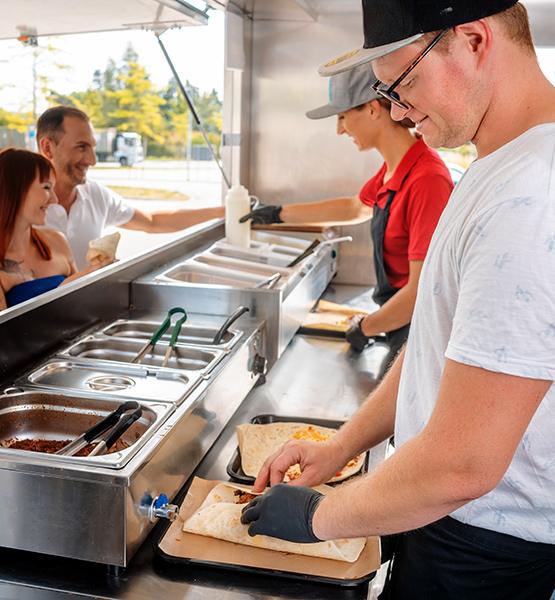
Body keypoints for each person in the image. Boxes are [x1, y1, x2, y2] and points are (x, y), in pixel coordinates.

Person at [240, 1, 555, 598]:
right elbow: (440, 342)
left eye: (402, 85)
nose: (400, 113)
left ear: (472, 40)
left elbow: (464, 464)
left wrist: (316, 519)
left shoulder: (533, 192)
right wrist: (341, 445)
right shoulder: (493, 166)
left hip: (482, 551)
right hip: (438, 514)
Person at [241, 65, 452, 372]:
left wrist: (366, 327)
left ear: (371, 109)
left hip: (417, 333)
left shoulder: (426, 179)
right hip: (397, 323)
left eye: (341, 117)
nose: (339, 129)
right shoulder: (396, 168)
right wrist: (277, 214)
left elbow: (422, 291)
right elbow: (355, 208)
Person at [36, 106, 224, 269]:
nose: (93, 160)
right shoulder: (12, 203)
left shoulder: (96, 195)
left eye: (93, 147)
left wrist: (220, 213)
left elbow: (153, 222)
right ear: (48, 148)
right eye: (81, 147)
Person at [0, 147, 113, 310]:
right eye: (46, 187)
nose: (54, 199)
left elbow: (77, 307)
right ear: (14, 190)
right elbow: (6, 334)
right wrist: (66, 288)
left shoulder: (57, 240)